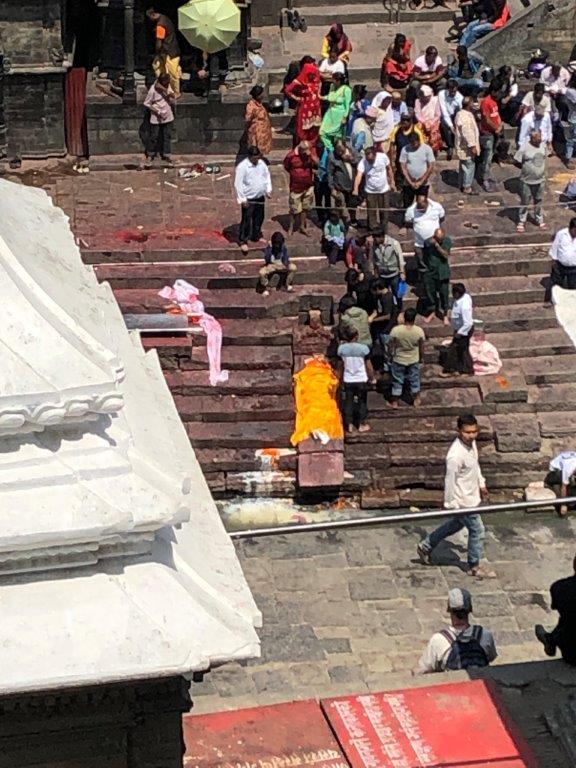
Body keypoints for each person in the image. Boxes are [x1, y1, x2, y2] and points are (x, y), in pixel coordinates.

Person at [418, 414, 496, 579]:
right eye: (467, 432)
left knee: (455, 525)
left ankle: (426, 545)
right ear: (459, 431)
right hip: (463, 501)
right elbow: (450, 480)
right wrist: (450, 503)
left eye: (474, 431)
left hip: (472, 495)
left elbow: (475, 464)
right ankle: (474, 565)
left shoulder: (471, 444)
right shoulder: (455, 456)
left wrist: (481, 483)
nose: (471, 436)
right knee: (477, 530)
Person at [419, 588, 497, 672]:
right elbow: (491, 657)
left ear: (449, 609)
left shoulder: (438, 640)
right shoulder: (485, 635)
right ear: (470, 609)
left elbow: (424, 669)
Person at [535, 555, 576, 664]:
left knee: (567, 616)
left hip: (571, 654)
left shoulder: (560, 587)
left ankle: (551, 639)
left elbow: (557, 607)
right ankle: (551, 639)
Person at [337, 325, 375, 434]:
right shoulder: (363, 349)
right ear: (356, 336)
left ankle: (349, 424)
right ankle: (361, 424)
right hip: (361, 378)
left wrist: (339, 378)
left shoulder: (342, 349)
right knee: (362, 402)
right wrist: (372, 377)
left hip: (348, 378)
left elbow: (340, 366)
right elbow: (368, 366)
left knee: (348, 401)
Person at [234, 146, 272, 253]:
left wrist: (268, 189)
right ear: (250, 157)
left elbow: (266, 176)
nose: (256, 160)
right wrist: (242, 199)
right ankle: (243, 240)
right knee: (247, 220)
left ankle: (256, 235)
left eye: (258, 157)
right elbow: (238, 184)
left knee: (259, 217)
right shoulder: (242, 167)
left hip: (260, 196)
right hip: (249, 198)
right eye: (254, 158)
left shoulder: (261, 164)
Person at [388, 308, 425, 408]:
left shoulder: (396, 330)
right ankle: (416, 399)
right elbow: (421, 347)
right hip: (413, 359)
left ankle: (395, 402)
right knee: (414, 379)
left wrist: (390, 355)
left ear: (404, 318)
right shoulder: (419, 331)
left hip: (399, 358)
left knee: (397, 380)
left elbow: (390, 345)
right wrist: (421, 357)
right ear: (414, 318)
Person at [353, 146, 395, 233]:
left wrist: (392, 182)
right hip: (370, 191)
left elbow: (389, 169)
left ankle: (383, 232)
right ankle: (372, 231)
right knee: (371, 213)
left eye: (371, 160)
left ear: (375, 155)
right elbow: (359, 176)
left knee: (384, 213)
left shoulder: (383, 157)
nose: (369, 161)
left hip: (383, 190)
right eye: (368, 160)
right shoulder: (363, 162)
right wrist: (355, 188)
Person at [515, 129, 547, 233]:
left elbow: (544, 158)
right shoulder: (524, 147)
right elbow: (517, 160)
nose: (540, 139)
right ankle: (521, 221)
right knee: (525, 201)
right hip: (526, 181)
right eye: (537, 138)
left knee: (538, 200)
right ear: (532, 138)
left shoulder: (543, 145)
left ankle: (539, 219)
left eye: (540, 137)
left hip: (540, 180)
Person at [283, 140, 317, 235]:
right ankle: (291, 227)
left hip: (308, 186)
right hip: (296, 187)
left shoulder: (310, 154)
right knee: (294, 210)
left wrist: (311, 156)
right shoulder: (291, 156)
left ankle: (302, 226)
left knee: (305, 208)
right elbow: (286, 166)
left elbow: (317, 164)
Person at [284, 61, 322, 145]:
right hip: (305, 108)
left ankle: (312, 145)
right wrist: (297, 98)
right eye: (311, 74)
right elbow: (287, 90)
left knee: (314, 129)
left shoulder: (316, 80)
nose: (313, 76)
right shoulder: (299, 81)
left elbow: (318, 87)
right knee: (303, 130)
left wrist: (318, 95)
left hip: (315, 109)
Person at [404, 192, 445, 270]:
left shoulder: (436, 207)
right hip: (420, 244)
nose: (420, 210)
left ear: (427, 203)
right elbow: (408, 223)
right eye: (418, 207)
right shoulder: (411, 210)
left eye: (422, 208)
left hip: (435, 242)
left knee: (435, 262)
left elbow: (442, 218)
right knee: (422, 264)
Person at [440, 283, 474, 376]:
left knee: (456, 349)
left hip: (464, 330)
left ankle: (450, 369)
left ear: (457, 293)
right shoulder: (464, 298)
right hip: (459, 328)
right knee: (462, 349)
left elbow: (468, 323)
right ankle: (463, 368)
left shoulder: (464, 306)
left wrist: (460, 333)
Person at [146, 7, 181, 97]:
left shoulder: (160, 25)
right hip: (171, 48)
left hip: (168, 51)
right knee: (157, 65)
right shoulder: (165, 18)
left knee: (172, 71)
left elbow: (159, 41)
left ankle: (176, 91)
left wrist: (157, 51)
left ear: (153, 15)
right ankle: (164, 84)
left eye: (149, 17)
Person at [143, 73, 175, 165]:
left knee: (167, 135)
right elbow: (146, 103)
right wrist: (156, 111)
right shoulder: (152, 90)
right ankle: (150, 154)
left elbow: (173, 96)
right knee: (154, 136)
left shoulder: (167, 87)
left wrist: (165, 91)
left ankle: (167, 154)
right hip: (156, 115)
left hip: (167, 113)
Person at [422, 227, 452, 324]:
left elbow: (445, 255)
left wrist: (436, 245)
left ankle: (445, 314)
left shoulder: (447, 241)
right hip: (431, 271)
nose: (439, 241)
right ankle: (433, 311)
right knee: (430, 292)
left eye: (440, 239)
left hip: (442, 272)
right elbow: (424, 255)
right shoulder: (428, 242)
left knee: (444, 293)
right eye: (437, 239)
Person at [399, 132, 436, 210]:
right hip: (408, 183)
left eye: (415, 143)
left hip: (423, 183)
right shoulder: (405, 149)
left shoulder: (427, 149)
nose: (414, 146)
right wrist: (410, 182)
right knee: (407, 205)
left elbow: (430, 166)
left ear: (419, 141)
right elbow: (403, 167)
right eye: (412, 143)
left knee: (421, 205)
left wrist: (421, 181)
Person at [369, 279, 399, 372]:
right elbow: (377, 310)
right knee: (384, 350)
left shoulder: (387, 298)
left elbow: (387, 316)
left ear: (378, 288)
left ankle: (390, 370)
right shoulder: (380, 297)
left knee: (388, 352)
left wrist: (373, 320)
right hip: (382, 328)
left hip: (388, 329)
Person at [478, 83, 503, 192]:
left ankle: (487, 175)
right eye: (498, 92)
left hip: (495, 132)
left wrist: (500, 125)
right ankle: (484, 179)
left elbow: (496, 115)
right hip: (487, 133)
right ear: (493, 91)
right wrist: (496, 128)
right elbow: (487, 119)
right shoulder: (486, 102)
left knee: (491, 155)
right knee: (487, 157)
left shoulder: (494, 102)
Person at [544, 219, 576, 304]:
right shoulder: (561, 234)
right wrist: (554, 260)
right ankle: (551, 301)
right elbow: (555, 247)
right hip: (560, 265)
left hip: (574, 267)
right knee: (555, 284)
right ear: (571, 228)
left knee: (573, 285)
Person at [328, 143, 360, 225]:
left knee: (352, 205)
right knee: (340, 205)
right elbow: (330, 173)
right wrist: (332, 188)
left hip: (351, 185)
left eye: (341, 150)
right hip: (339, 186)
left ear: (345, 146)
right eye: (338, 151)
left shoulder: (352, 151)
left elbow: (360, 160)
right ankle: (341, 222)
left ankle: (353, 220)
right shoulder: (332, 156)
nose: (340, 153)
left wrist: (351, 159)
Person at [320, 72, 352, 150]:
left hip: (339, 114)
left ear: (338, 81)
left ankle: (337, 150)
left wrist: (345, 116)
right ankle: (330, 148)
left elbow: (347, 105)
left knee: (337, 135)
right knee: (322, 132)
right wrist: (322, 97)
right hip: (330, 112)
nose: (332, 81)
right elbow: (330, 96)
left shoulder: (346, 89)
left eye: (334, 80)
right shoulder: (332, 86)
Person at [454, 96, 480, 195]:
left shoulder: (460, 114)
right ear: (469, 105)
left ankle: (462, 183)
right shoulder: (465, 118)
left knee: (463, 165)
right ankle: (467, 187)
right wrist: (472, 146)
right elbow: (467, 133)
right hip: (466, 147)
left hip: (463, 146)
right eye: (472, 103)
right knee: (469, 165)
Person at [259, 232, 297, 296]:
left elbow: (286, 257)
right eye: (276, 243)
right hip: (271, 265)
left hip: (281, 264)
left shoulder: (283, 247)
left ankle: (287, 284)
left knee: (293, 268)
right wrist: (270, 248)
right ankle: (265, 288)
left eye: (278, 243)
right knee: (262, 272)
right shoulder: (269, 248)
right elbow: (267, 259)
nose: (277, 245)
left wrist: (285, 264)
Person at [544, 450, 576, 517]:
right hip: (554, 472)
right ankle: (563, 502)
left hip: (566, 464)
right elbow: (564, 487)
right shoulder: (568, 469)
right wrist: (563, 505)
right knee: (562, 479)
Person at [245, 85, 273, 157]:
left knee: (263, 147)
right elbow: (248, 118)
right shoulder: (251, 105)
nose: (263, 95)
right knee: (256, 148)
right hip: (256, 131)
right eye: (261, 94)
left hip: (263, 130)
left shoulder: (259, 103)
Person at [439, 80, 463, 160]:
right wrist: (451, 126)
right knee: (444, 124)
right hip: (445, 115)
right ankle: (450, 146)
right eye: (451, 91)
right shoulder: (441, 94)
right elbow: (444, 111)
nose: (453, 93)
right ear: (447, 89)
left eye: (454, 91)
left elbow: (461, 113)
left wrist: (455, 124)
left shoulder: (460, 98)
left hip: (455, 115)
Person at [415, 85, 442, 154]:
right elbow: (418, 114)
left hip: (434, 121)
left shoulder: (435, 100)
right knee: (418, 128)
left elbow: (438, 114)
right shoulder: (418, 101)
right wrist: (425, 122)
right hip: (422, 121)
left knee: (433, 130)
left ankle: (434, 149)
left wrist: (431, 122)